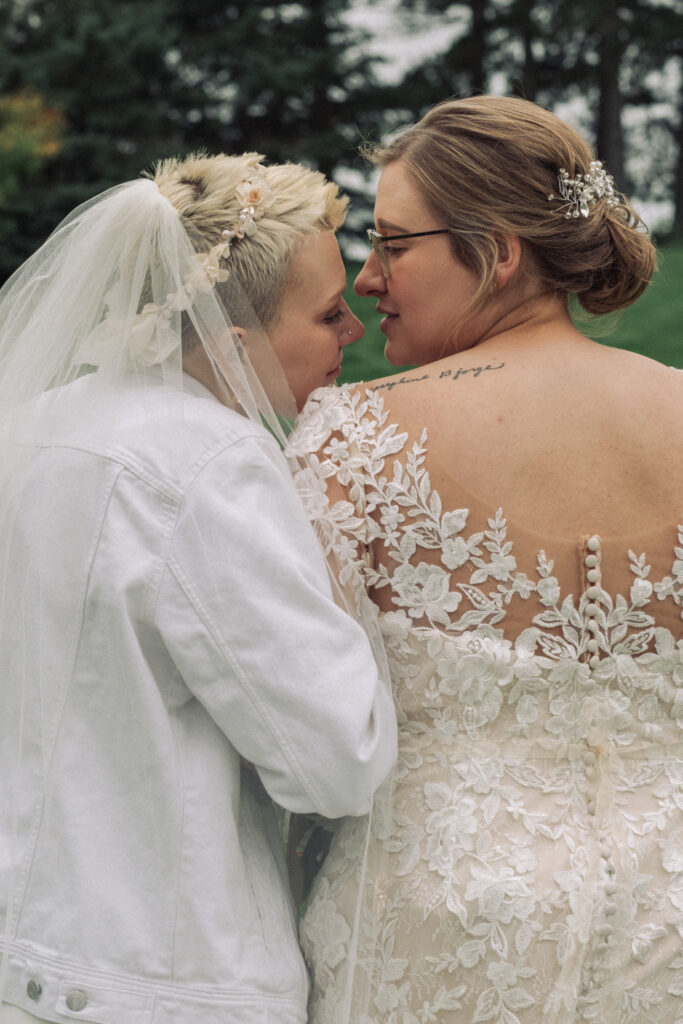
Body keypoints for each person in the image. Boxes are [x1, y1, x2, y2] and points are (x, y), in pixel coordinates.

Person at [287, 95, 683, 1022]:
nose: (365, 279)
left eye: (392, 244)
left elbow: (294, 717)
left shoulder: (358, 437)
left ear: (498, 251)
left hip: (439, 927)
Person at [0, 152, 397, 1024]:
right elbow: (336, 761)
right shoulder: (210, 467)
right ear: (234, 343)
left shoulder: (29, 429)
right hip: (169, 980)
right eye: (329, 313)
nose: (354, 333)